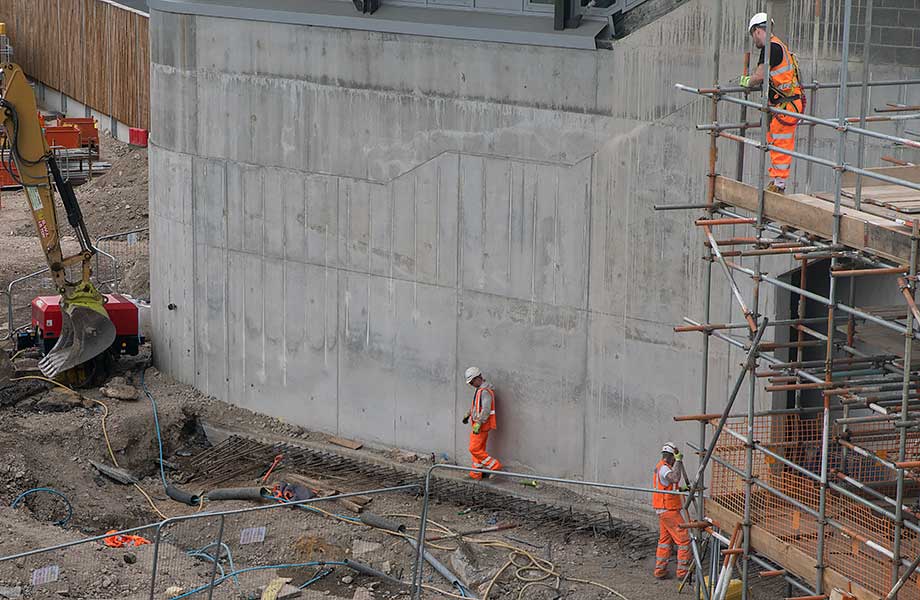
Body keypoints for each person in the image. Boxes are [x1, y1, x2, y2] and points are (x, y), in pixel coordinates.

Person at [739, 12, 804, 194]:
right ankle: (776, 181)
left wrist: (746, 81)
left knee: (781, 143)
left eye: (753, 35)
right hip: (787, 103)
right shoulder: (777, 45)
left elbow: (759, 76)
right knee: (776, 142)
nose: (754, 40)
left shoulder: (770, 48)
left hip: (786, 104)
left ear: (757, 31)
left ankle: (779, 184)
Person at [652, 442, 690, 581]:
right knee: (684, 540)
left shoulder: (662, 467)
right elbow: (675, 478)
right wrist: (679, 461)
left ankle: (660, 571)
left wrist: (681, 489)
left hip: (663, 510)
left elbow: (668, 487)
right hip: (668, 510)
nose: (674, 462)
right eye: (674, 459)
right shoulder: (664, 468)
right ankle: (683, 573)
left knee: (665, 541)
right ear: (671, 457)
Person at [462, 366, 502, 480]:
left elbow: (486, 409)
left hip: (481, 426)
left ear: (478, 377)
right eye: (470, 383)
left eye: (472, 382)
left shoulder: (485, 391)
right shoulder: (480, 390)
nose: (471, 384)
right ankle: (476, 473)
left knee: (473, 449)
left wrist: (479, 423)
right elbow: (476, 406)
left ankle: (495, 466)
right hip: (479, 425)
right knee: (479, 450)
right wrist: (468, 414)